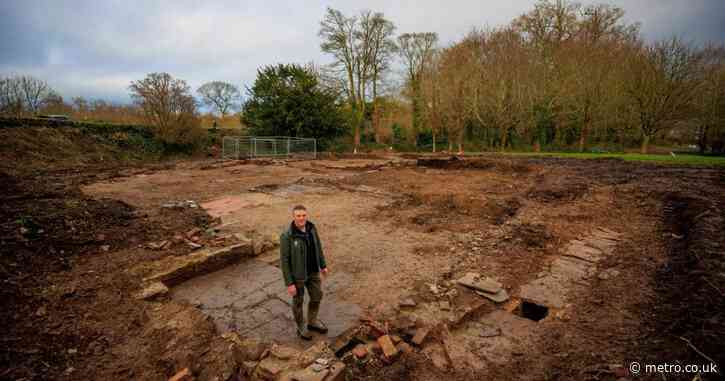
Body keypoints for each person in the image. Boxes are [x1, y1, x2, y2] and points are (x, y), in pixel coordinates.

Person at [279, 205, 329, 340]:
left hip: (313, 272)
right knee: (298, 302)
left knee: (317, 296)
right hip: (298, 276)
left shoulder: (312, 228)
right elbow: (284, 260)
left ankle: (312, 321)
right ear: (294, 217)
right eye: (298, 216)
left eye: (303, 215)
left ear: (306, 215)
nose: (301, 218)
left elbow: (318, 246)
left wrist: (323, 265)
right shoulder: (287, 235)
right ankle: (301, 326)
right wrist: (289, 283)